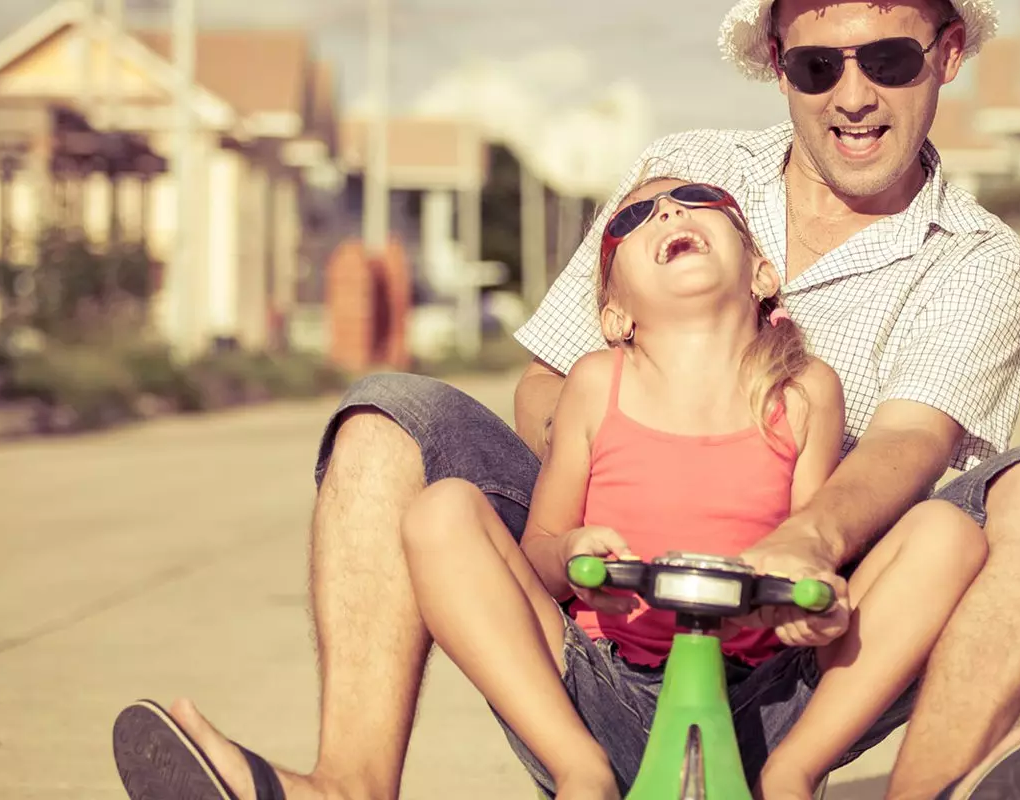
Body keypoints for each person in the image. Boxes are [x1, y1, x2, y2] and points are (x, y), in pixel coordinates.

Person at [110, 0, 1020, 799]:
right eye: (819, 64)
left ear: (945, 53)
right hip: (605, 628)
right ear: (778, 61)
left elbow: (906, 442)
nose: (852, 92)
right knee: (387, 417)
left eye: (888, 58)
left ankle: (917, 788)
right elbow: (549, 375)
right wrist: (620, 492)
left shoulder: (978, 262)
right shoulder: (690, 175)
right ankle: (348, 783)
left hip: (803, 653)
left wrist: (804, 537)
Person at [397, 175, 990, 800]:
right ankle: (579, 772)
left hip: (766, 694)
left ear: (761, 274)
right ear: (614, 313)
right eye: (632, 220)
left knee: (946, 532)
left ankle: (792, 774)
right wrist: (570, 555)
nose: (670, 211)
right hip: (605, 689)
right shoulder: (597, 385)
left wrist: (811, 603)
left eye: (700, 202)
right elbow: (538, 555)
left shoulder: (806, 391)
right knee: (442, 511)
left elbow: (815, 548)